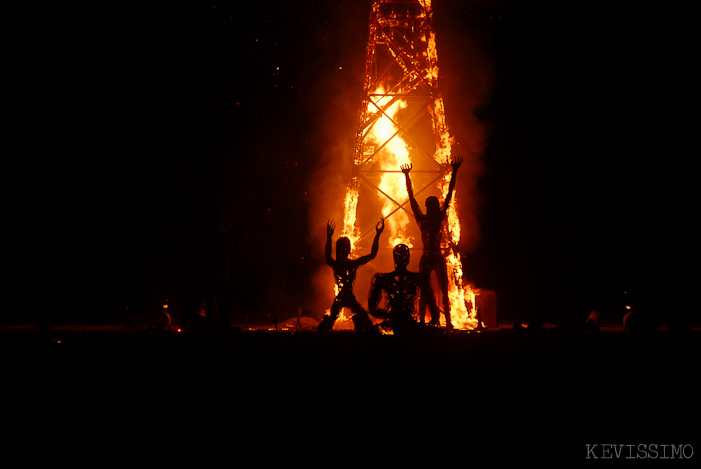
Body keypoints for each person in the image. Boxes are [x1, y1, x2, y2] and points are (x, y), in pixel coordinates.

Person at [400, 156, 462, 329]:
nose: (431, 208)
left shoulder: (426, 221)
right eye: (431, 205)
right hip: (431, 258)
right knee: (429, 291)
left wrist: (407, 176)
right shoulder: (431, 220)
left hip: (430, 258)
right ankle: (434, 321)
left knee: (437, 290)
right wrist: (406, 176)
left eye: (431, 205)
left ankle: (443, 321)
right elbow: (413, 198)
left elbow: (414, 199)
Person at [318, 217, 385, 332]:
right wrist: (377, 235)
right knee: (365, 322)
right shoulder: (351, 264)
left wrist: (329, 237)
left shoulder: (338, 264)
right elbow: (372, 255)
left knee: (331, 321)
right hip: (347, 297)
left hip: (343, 298)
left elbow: (328, 256)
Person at [368, 244, 440, 335]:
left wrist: (434, 319)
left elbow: (431, 303)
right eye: (399, 255)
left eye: (404, 256)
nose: (402, 258)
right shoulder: (383, 279)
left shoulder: (418, 279)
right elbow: (372, 308)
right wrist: (390, 316)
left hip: (408, 322)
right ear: (395, 257)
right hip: (394, 322)